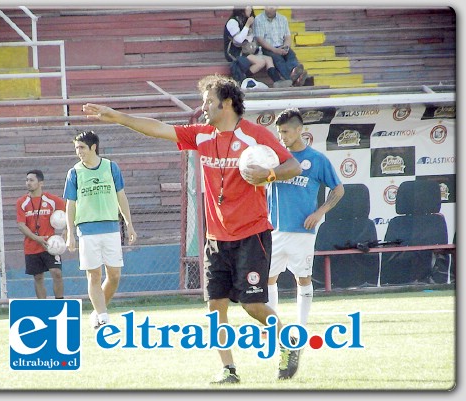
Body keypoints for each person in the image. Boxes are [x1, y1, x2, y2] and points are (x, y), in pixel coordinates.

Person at [82, 74, 304, 384]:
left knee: (253, 306)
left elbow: (293, 166)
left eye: (208, 102)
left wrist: (268, 176)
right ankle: (228, 370)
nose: (203, 107)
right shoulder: (202, 135)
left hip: (252, 235)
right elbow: (158, 129)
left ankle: (289, 342)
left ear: (226, 103)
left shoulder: (255, 136)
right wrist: (118, 117)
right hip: (216, 238)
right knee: (215, 306)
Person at [265, 108, 344, 376]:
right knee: (268, 279)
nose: (282, 136)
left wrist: (319, 212)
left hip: (302, 231)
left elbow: (338, 189)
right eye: (279, 132)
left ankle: (299, 329)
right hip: (274, 229)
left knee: (303, 278)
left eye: (286, 131)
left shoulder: (315, 160)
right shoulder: (275, 157)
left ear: (299, 130)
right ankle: (273, 328)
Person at [63, 130, 137, 330]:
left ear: (93, 147)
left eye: (82, 147)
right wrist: (70, 233)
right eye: (76, 148)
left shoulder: (111, 168)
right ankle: (103, 316)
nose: (79, 152)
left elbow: (121, 196)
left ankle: (97, 311)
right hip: (87, 231)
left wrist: (129, 223)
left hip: (111, 227)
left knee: (114, 275)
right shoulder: (74, 173)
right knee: (93, 275)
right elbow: (71, 204)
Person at [16, 169, 66, 299]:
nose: (28, 183)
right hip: (32, 245)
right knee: (38, 277)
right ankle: (43, 308)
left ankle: (59, 303)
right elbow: (21, 225)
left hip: (51, 245)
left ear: (41, 183)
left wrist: (66, 231)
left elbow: (69, 212)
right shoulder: (22, 202)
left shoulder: (52, 200)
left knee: (57, 273)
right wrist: (37, 238)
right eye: (27, 180)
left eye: (31, 180)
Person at [224, 6, 288, 88]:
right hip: (235, 52)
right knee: (261, 62)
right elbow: (238, 40)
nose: (250, 9)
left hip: (247, 51)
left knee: (268, 59)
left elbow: (251, 39)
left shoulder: (246, 21)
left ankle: (277, 81)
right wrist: (247, 25)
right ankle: (242, 78)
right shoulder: (232, 22)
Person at [253, 6, 309, 87]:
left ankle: (294, 73)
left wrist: (285, 47)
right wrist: (275, 50)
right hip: (268, 48)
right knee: (278, 59)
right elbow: (260, 40)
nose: (269, 9)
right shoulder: (258, 19)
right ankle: (293, 79)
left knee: (291, 55)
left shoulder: (283, 19)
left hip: (281, 46)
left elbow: (287, 37)